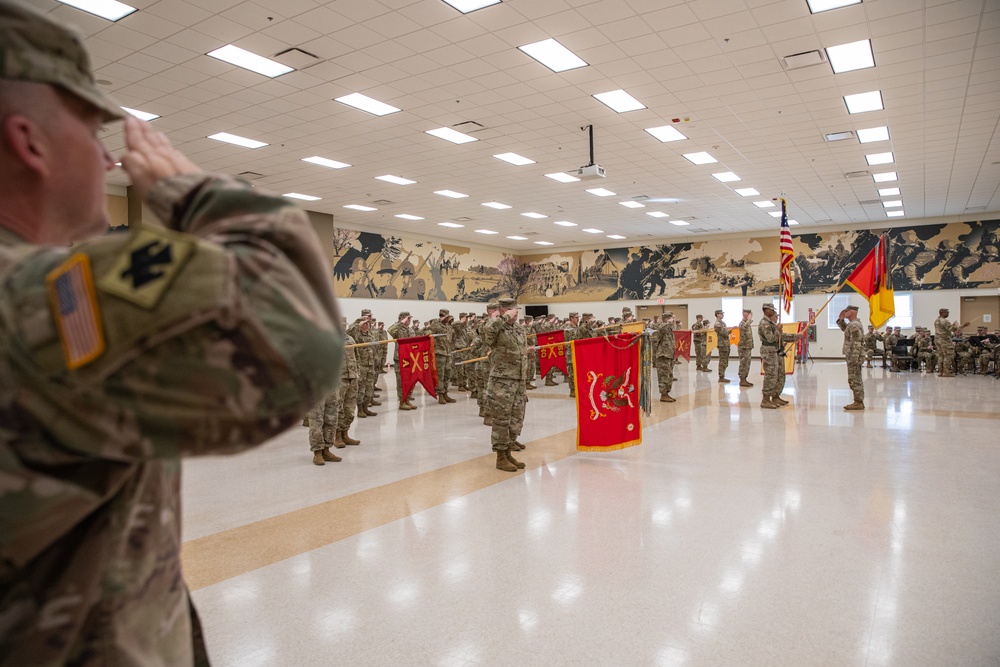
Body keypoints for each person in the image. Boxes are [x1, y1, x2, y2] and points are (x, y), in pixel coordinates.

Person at [0, 4, 344, 662]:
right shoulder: (37, 301)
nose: (107, 158)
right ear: (30, 142)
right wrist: (192, 194)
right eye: (90, 128)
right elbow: (296, 336)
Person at [484, 298, 531, 472]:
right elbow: (487, 334)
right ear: (503, 311)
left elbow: (514, 350)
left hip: (518, 382)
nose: (516, 313)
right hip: (501, 382)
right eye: (512, 311)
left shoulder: (518, 329)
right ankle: (500, 457)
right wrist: (502, 318)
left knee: (516, 419)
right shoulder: (494, 326)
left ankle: (509, 452)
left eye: (516, 310)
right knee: (501, 420)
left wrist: (526, 352)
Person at [758, 304, 801, 408]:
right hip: (769, 352)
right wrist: (778, 329)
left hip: (777, 351)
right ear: (767, 310)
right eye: (772, 311)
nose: (775, 314)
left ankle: (776, 396)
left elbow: (781, 337)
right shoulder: (765, 324)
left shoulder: (771, 324)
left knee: (780, 374)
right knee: (771, 375)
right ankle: (765, 400)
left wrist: (795, 337)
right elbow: (771, 338)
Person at [837, 305, 866, 410]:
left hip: (854, 356)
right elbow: (846, 330)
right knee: (854, 378)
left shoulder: (854, 325)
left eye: (846, 311)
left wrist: (854, 358)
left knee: (854, 379)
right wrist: (841, 320)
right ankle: (858, 400)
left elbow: (856, 342)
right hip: (853, 355)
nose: (845, 312)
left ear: (852, 312)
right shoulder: (853, 324)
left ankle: (858, 402)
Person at [652, 311, 677, 402]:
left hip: (669, 355)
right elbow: (658, 331)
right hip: (663, 355)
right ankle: (663, 394)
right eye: (672, 318)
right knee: (663, 376)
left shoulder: (669, 328)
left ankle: (666, 393)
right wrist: (667, 323)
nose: (674, 320)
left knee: (669, 375)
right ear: (666, 319)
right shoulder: (662, 327)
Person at [713, 309, 732, 383]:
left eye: (722, 314)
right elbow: (724, 333)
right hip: (722, 344)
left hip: (726, 344)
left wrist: (730, 330)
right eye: (721, 314)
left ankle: (722, 375)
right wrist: (730, 330)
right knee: (722, 361)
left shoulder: (722, 323)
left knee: (725, 361)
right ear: (717, 315)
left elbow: (725, 332)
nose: (722, 315)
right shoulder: (717, 324)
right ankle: (721, 376)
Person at [737, 309, 755, 387]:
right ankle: (742, 380)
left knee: (747, 364)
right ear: (744, 314)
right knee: (743, 363)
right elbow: (744, 327)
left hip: (747, 346)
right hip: (743, 347)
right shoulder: (742, 323)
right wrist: (749, 320)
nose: (750, 316)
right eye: (749, 314)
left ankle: (745, 379)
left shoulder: (746, 323)